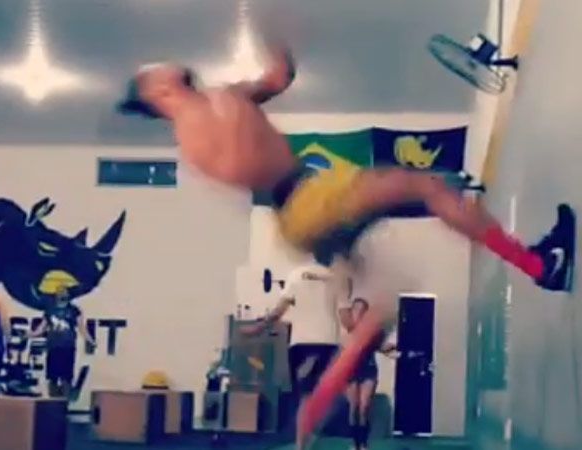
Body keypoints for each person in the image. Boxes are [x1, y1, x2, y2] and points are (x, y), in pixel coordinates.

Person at [116, 34, 575, 449]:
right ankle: (540, 265)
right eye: (155, 71)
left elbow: (279, 77)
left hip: (300, 214)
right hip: (306, 199)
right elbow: (248, 161)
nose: (164, 64)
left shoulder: (214, 110)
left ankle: (310, 414)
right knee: (427, 187)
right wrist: (238, 103)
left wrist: (276, 37)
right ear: (157, 92)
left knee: (377, 314)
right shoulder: (200, 129)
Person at [241, 262, 350, 406]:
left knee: (300, 392)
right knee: (325, 392)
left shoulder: (296, 275)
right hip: (328, 342)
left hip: (301, 342)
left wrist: (257, 328)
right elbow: (346, 319)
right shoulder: (337, 278)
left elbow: (278, 312)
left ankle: (300, 416)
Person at [343, 298, 398, 450]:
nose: (359, 313)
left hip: (368, 369)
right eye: (356, 310)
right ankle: (355, 443)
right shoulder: (347, 329)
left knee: (364, 406)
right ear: (351, 312)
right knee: (353, 407)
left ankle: (363, 443)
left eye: (362, 310)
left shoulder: (373, 331)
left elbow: (381, 347)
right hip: (351, 371)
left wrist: (394, 349)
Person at [30, 289, 95, 398]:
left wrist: (90, 340)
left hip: (68, 348)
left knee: (67, 377)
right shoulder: (50, 310)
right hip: (53, 348)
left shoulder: (74, 310)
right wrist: (29, 334)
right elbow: (41, 329)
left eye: (65, 293)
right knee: (52, 378)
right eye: (60, 293)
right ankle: (53, 401)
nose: (62, 295)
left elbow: (82, 328)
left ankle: (65, 400)